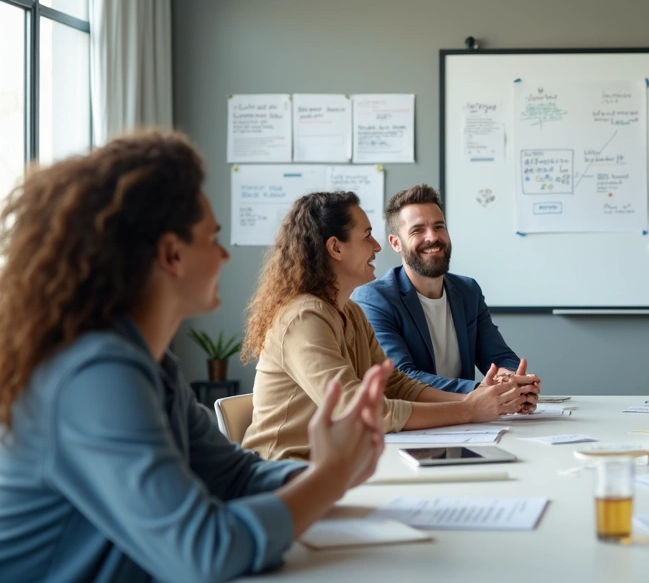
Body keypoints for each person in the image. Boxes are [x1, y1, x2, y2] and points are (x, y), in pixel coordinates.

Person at [0, 131, 387, 581]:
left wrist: (329, 474)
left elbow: (234, 477)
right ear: (172, 255)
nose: (224, 255)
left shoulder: (151, 364)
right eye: (213, 238)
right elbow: (206, 553)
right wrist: (328, 478)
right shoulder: (94, 375)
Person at [241, 191, 536, 461]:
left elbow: (395, 385)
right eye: (367, 236)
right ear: (335, 248)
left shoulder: (350, 312)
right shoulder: (303, 318)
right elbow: (357, 411)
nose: (377, 246)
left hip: (335, 464)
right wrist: (470, 409)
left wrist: (479, 399)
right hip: (284, 471)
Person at [352, 185, 538, 401]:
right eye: (417, 230)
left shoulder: (468, 291)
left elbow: (499, 357)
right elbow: (402, 377)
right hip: (413, 426)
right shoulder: (375, 298)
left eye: (439, 227)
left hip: (467, 424)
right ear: (396, 243)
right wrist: (481, 391)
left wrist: (513, 382)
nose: (433, 237)